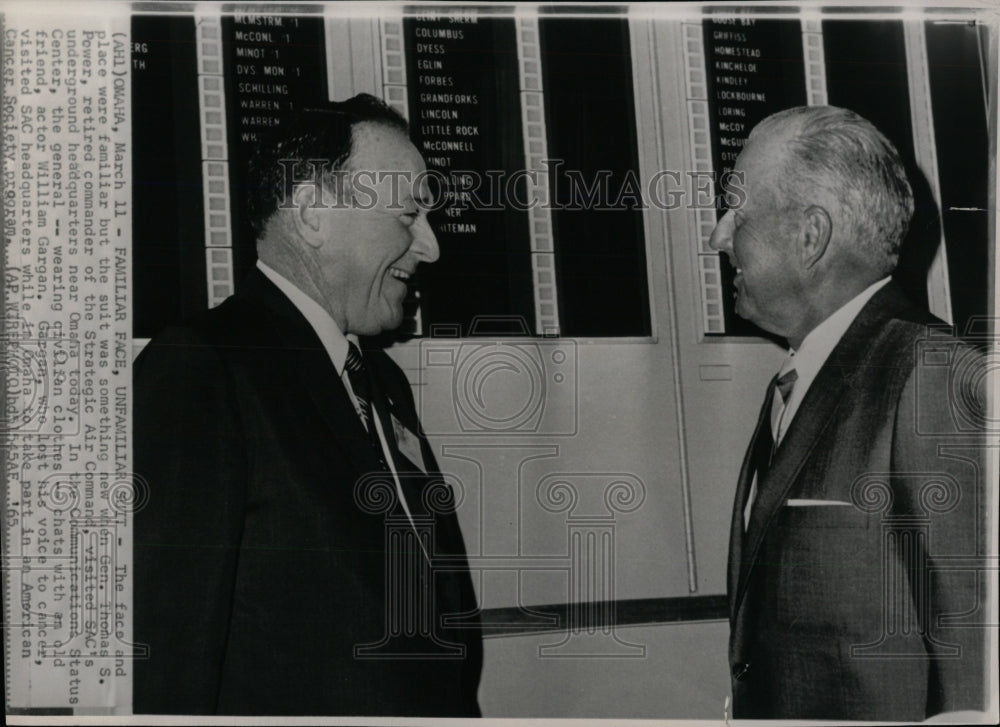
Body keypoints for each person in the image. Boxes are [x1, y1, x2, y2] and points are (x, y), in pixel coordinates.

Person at [133, 95, 482, 716]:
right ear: (314, 214)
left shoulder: (382, 383)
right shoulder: (204, 369)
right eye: (408, 215)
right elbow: (167, 657)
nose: (429, 246)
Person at [709, 105, 987, 720]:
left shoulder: (931, 372)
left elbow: (977, 653)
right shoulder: (800, 380)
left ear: (811, 236)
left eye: (738, 212)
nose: (719, 236)